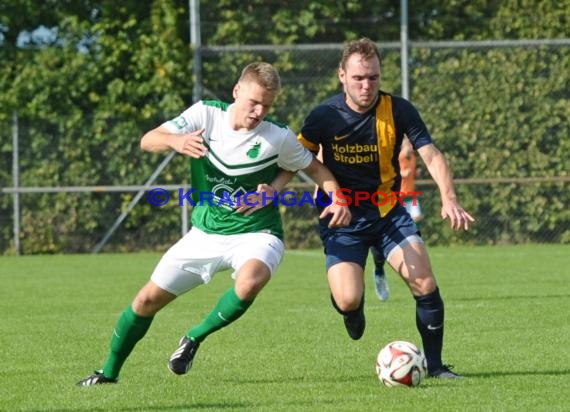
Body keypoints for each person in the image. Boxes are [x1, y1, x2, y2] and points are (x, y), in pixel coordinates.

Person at [77, 62, 351, 386]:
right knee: (145, 301)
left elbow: (315, 170)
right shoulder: (206, 114)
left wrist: (336, 198)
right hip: (204, 233)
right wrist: (175, 142)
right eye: (253, 102)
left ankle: (193, 337)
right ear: (237, 92)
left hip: (256, 233)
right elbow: (148, 139)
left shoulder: (277, 136)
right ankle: (108, 373)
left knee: (251, 280)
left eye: (267, 105)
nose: (258, 111)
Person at [297, 38, 474, 378]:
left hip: (388, 214)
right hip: (342, 219)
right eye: (359, 78)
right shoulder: (324, 116)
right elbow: (297, 157)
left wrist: (449, 197)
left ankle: (436, 367)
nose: (367, 85)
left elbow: (432, 155)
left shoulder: (399, 110)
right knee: (347, 299)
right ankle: (353, 309)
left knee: (424, 282)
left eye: (374, 78)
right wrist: (270, 189)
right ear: (342, 76)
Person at [371, 136, 423, 301]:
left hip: (410, 197)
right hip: (393, 199)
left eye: (410, 143)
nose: (409, 146)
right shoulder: (397, 156)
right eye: (407, 143)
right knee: (376, 247)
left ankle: (409, 248)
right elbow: (391, 173)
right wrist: (402, 173)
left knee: (416, 220)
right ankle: (379, 269)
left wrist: (413, 173)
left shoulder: (413, 157)